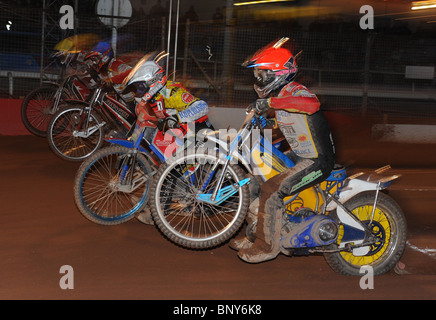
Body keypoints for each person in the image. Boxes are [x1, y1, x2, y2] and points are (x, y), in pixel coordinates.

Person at [231, 37, 336, 263]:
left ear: (276, 73)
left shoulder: (296, 90)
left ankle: (267, 247)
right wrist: (264, 123)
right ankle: (256, 234)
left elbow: (312, 105)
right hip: (299, 156)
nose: (258, 79)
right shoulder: (280, 97)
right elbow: (286, 124)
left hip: (317, 161)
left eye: (261, 74)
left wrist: (269, 105)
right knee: (252, 183)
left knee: (272, 189)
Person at [123, 51, 214, 224]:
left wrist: (178, 118)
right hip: (183, 136)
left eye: (141, 87)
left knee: (170, 170)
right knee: (159, 162)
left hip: (200, 135)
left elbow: (202, 106)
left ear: (153, 82)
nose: (139, 91)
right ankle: (152, 201)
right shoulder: (155, 97)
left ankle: (155, 214)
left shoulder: (171, 92)